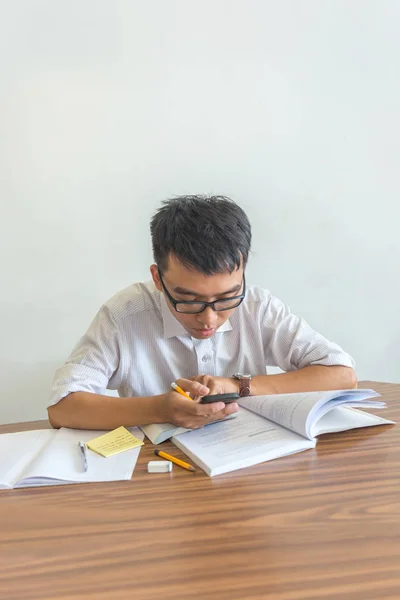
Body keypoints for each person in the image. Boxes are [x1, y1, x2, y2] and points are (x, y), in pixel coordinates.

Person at [48, 195, 356, 430]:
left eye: (226, 298)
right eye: (189, 300)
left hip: (247, 460)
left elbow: (342, 375)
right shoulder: (125, 314)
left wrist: (238, 387)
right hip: (156, 473)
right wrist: (161, 409)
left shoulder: (257, 308)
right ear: (158, 278)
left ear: (243, 272)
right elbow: (62, 406)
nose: (209, 319)